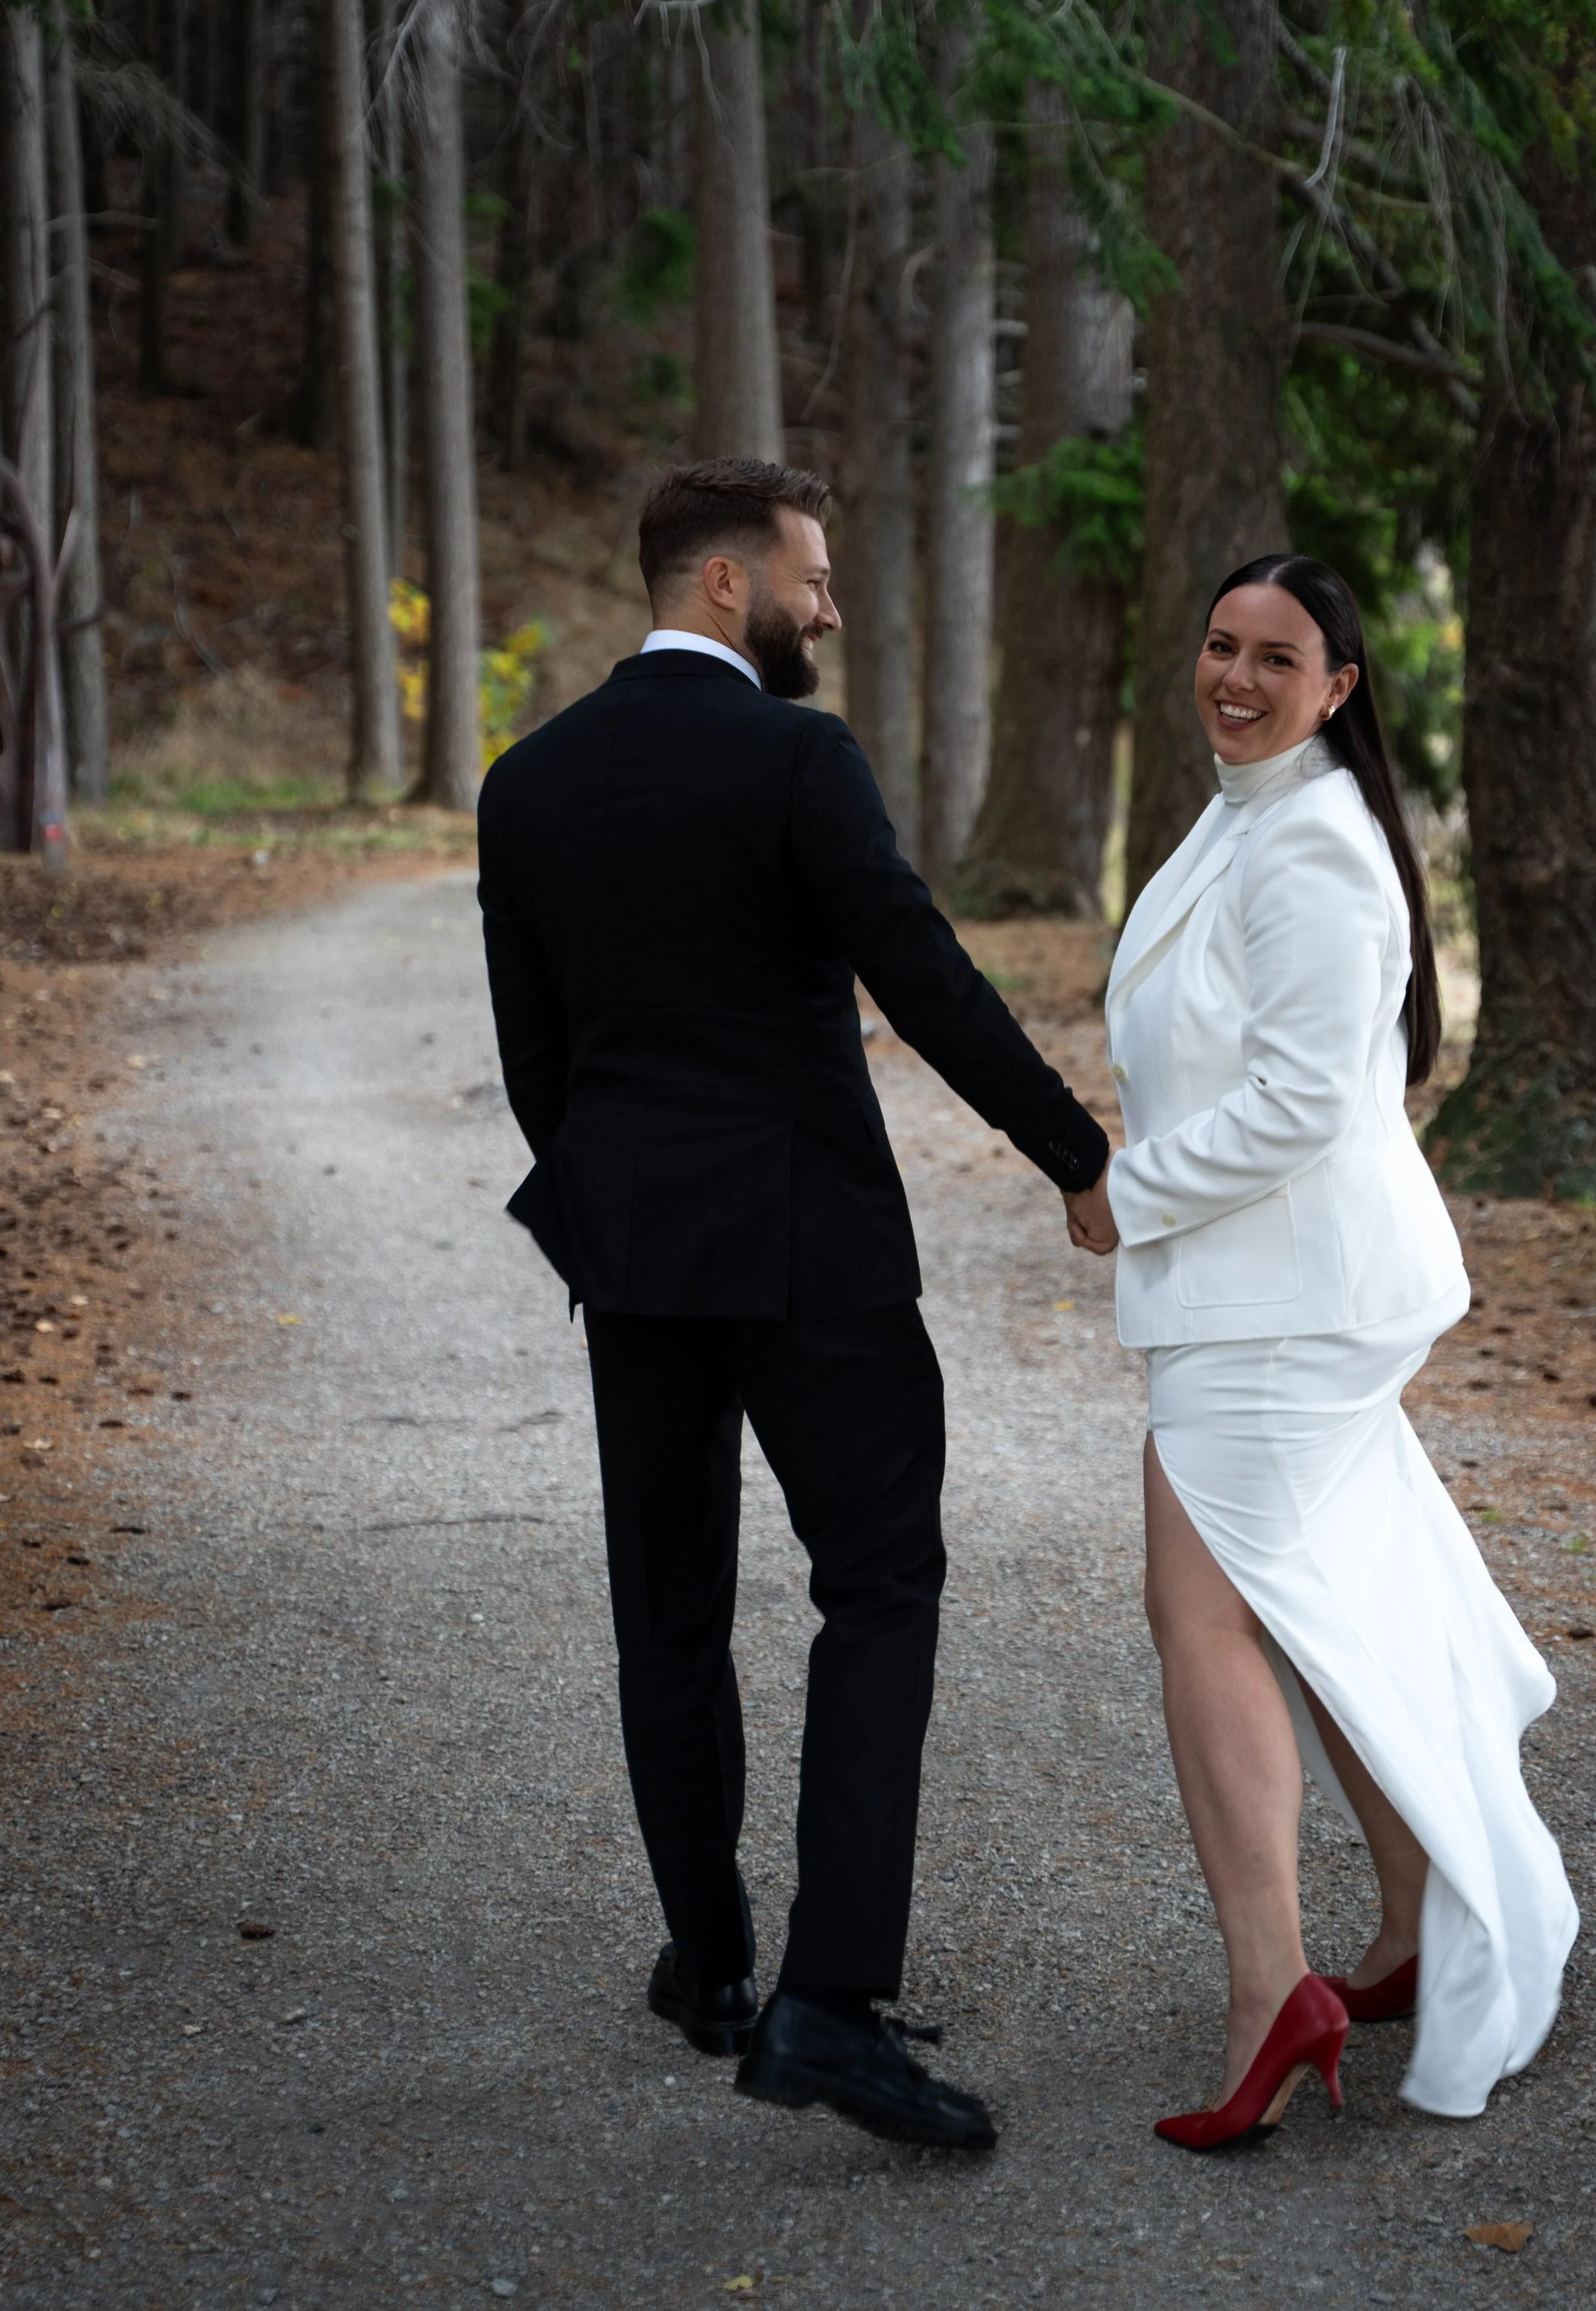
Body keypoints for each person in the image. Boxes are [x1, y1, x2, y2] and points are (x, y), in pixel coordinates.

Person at [478, 457, 1111, 2152]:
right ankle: (827, 2002)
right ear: (722, 583)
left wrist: (613, 1205)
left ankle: (710, 1968)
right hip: (810, 1251)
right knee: (880, 1584)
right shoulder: (794, 757)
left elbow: (538, 1058)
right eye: (810, 579)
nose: (826, 609)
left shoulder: (526, 783)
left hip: (634, 1261)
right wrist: (1073, 1151)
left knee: (668, 1611)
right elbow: (920, 972)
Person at [1066, 554, 1577, 2149]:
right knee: (1303, 1603)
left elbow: (1300, 1103)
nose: (1234, 676)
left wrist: (1124, 1193)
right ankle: (1421, 1918)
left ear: (1339, 685)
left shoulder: (1316, 846)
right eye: (1219, 644)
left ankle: (1268, 1988)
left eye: (1274, 658)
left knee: (1201, 1618)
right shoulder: (1246, 814)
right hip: (1267, 1291)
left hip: (1281, 1307)